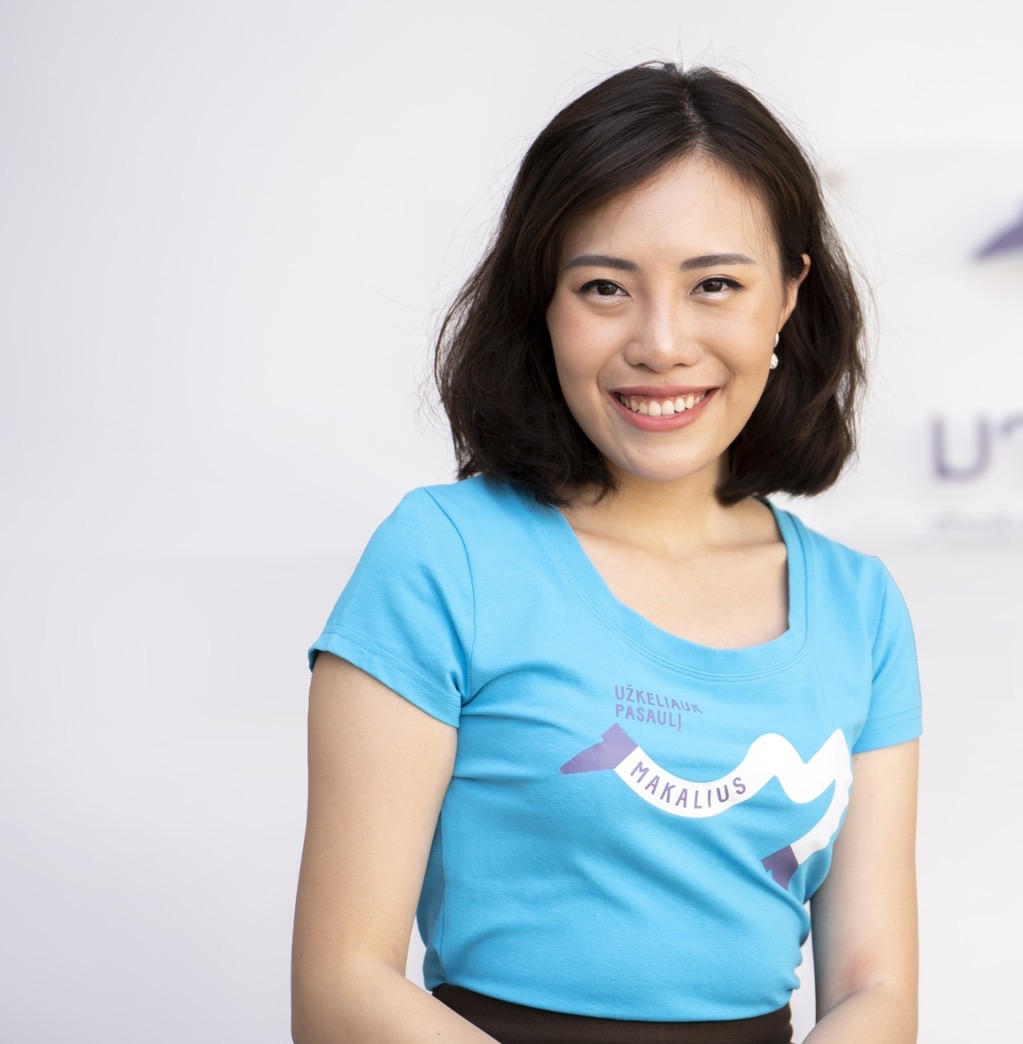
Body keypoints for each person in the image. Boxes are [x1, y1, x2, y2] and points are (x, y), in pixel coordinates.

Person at [291, 62, 921, 1044]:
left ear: (788, 296)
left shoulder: (860, 607)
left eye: (715, 284)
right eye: (603, 288)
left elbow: (874, 989)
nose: (660, 343)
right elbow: (341, 988)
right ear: (542, 302)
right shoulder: (442, 559)